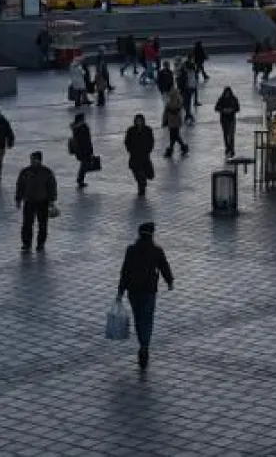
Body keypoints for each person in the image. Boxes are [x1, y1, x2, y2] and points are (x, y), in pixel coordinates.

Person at [116, 222, 174, 370]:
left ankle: (142, 342)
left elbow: (125, 271)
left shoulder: (131, 250)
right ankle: (145, 346)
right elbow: (164, 266)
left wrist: (120, 291)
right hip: (149, 290)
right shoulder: (156, 250)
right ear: (152, 234)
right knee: (147, 318)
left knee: (138, 317)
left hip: (133, 290)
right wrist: (169, 281)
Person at [14, 151, 58, 252]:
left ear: (39, 160)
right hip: (29, 201)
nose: (32, 161)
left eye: (33, 159)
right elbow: (20, 186)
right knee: (27, 224)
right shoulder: (25, 172)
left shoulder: (46, 172)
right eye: (31, 159)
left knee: (42, 224)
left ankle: (41, 243)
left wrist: (52, 200)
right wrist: (18, 199)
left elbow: (51, 187)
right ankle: (26, 243)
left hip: (43, 201)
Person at [125, 114, 156, 196]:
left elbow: (151, 141)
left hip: (144, 155)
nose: (139, 122)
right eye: (137, 120)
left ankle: (143, 182)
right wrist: (130, 150)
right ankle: (141, 187)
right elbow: (127, 141)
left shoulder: (147, 129)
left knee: (149, 174)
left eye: (140, 120)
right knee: (137, 172)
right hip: (134, 155)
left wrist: (148, 150)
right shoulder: (131, 130)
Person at [69, 114, 95, 188]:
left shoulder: (76, 128)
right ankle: (80, 180)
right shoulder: (83, 128)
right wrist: (90, 150)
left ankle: (80, 180)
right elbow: (86, 140)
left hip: (79, 150)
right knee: (84, 165)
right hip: (84, 149)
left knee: (84, 164)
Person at [214, 87, 240, 158]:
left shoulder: (234, 98)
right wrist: (223, 110)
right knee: (226, 135)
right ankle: (227, 148)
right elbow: (216, 108)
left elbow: (238, 108)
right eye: (226, 93)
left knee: (231, 135)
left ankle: (231, 149)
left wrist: (232, 110)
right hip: (224, 120)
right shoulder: (221, 99)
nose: (227, 94)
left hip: (232, 119)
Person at [162, 89, 189, 157]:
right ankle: (181, 148)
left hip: (174, 122)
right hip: (173, 122)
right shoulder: (177, 101)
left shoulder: (175, 102)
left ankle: (173, 149)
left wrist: (164, 121)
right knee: (174, 136)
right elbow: (166, 112)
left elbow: (167, 112)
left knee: (174, 136)